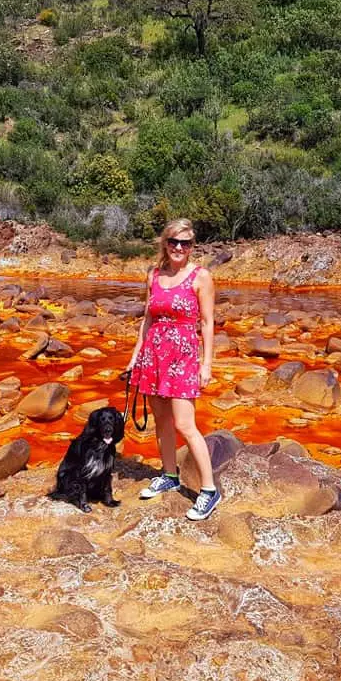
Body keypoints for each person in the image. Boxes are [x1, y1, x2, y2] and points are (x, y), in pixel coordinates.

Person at [125, 218, 219, 521]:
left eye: (186, 243)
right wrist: (136, 356)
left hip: (183, 355)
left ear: (192, 247)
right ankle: (169, 474)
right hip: (154, 354)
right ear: (165, 243)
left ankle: (208, 491)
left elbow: (207, 323)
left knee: (185, 424)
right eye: (174, 242)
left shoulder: (201, 276)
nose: (179, 248)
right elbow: (147, 319)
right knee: (161, 420)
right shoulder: (153, 275)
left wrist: (207, 364)